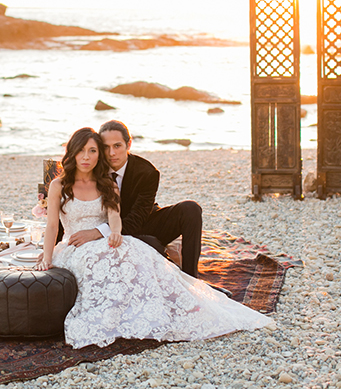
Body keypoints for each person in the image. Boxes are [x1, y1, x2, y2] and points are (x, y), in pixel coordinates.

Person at [36, 127, 271, 349]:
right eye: (100, 148)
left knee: (145, 253)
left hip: (126, 230)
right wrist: (48, 255)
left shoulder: (135, 175)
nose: (109, 153)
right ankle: (114, 313)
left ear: (128, 145)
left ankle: (187, 290)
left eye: (113, 146)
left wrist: (110, 232)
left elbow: (122, 217)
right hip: (80, 243)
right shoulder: (60, 184)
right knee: (111, 262)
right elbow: (52, 224)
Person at [67, 120, 202, 277]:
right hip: (108, 228)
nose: (111, 153)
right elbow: (69, 203)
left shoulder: (147, 172)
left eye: (117, 146)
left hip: (142, 223)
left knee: (190, 209)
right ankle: (173, 274)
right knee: (152, 245)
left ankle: (191, 277)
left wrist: (96, 232)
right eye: (105, 147)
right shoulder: (91, 168)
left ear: (128, 145)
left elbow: (137, 220)